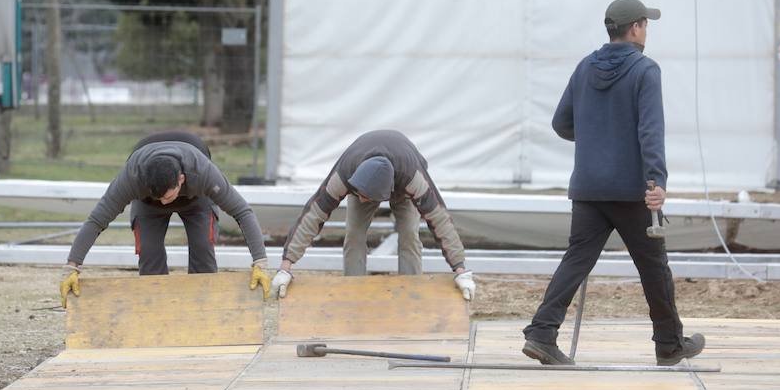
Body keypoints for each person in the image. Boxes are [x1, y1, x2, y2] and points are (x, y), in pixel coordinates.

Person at [522, 0, 704, 366]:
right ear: (635, 27)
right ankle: (669, 345)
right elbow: (650, 132)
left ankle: (542, 333)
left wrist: (596, 136)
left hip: (588, 187)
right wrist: (656, 182)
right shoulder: (645, 71)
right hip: (629, 190)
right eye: (646, 24)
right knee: (653, 267)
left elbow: (561, 124)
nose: (646, 31)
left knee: (576, 260)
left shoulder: (585, 67)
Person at [60, 131, 271, 304]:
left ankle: (203, 308)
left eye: (168, 196)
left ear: (181, 179)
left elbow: (242, 212)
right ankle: (156, 311)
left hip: (196, 200)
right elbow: (97, 220)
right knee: (150, 252)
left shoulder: (203, 172)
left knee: (202, 246)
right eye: (159, 197)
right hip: (146, 204)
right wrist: (72, 266)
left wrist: (260, 262)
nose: (164, 203)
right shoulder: (132, 178)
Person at [272, 130, 475, 301]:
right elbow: (313, 214)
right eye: (359, 195)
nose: (361, 200)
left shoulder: (413, 178)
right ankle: (353, 293)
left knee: (409, 235)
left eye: (366, 198)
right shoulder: (344, 176)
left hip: (402, 180)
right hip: (360, 174)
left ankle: (410, 295)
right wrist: (286, 266)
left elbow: (439, 219)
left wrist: (460, 269)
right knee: (353, 233)